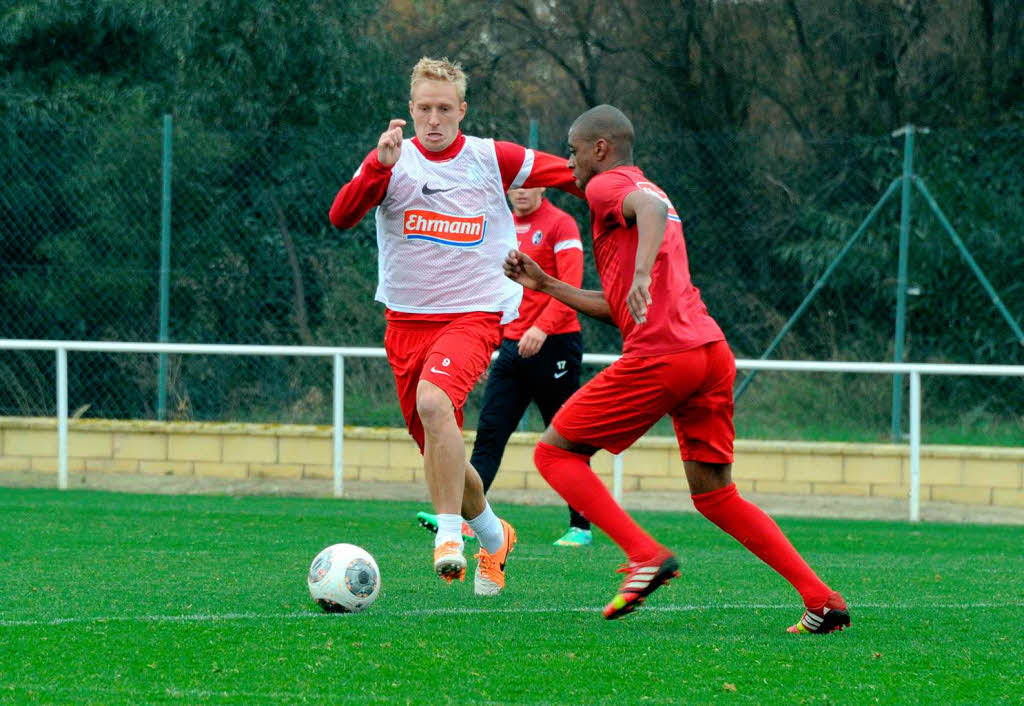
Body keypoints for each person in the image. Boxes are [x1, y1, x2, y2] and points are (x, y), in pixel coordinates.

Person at [503, 104, 851, 633]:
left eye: (573, 151)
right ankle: (822, 600)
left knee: (554, 454)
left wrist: (641, 272)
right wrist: (547, 285)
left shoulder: (609, 186)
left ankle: (644, 555)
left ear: (600, 148)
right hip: (708, 353)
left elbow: (646, 212)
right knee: (715, 495)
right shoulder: (650, 188)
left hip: (665, 354)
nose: (569, 163)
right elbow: (622, 304)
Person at [327, 57, 581, 597]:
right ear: (411, 109)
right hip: (404, 324)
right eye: (424, 108)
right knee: (441, 451)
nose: (434, 118)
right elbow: (341, 216)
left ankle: (450, 536)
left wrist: (629, 192)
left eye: (445, 108)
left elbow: (572, 175)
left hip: (474, 316)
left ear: (462, 110)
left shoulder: (492, 157)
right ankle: (495, 535)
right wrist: (377, 165)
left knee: (436, 404)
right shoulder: (388, 161)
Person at [417, 186, 594, 547]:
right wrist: (482, 348)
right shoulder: (503, 226)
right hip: (510, 345)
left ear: (542, 186)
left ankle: (581, 526)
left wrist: (542, 328)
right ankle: (465, 519)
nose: (521, 193)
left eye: (528, 185)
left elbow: (572, 285)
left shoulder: (561, 224)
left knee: (563, 438)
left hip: (555, 343)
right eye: (513, 187)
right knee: (489, 435)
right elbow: (490, 291)